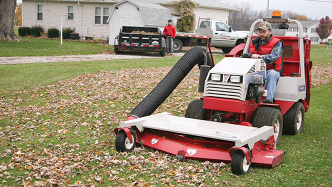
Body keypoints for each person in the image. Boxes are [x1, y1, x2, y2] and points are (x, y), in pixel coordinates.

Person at [249, 21, 283, 104]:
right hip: (256, 70)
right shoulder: (253, 42)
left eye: (264, 32)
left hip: (270, 70)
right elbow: (247, 54)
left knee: (272, 74)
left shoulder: (277, 43)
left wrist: (261, 57)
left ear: (270, 31)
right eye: (260, 32)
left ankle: (268, 100)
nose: (261, 34)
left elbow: (274, 56)